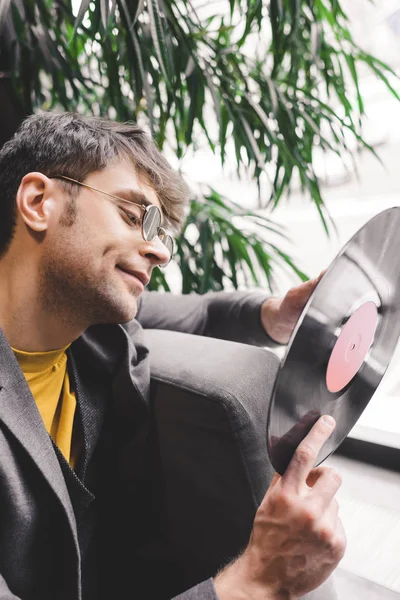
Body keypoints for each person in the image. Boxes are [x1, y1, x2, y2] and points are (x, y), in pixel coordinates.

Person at [0, 111, 345, 600]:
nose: (159, 252)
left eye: (162, 232)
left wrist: (276, 314)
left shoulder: (95, 326)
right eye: (135, 215)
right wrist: (255, 580)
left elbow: (199, 313)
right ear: (39, 202)